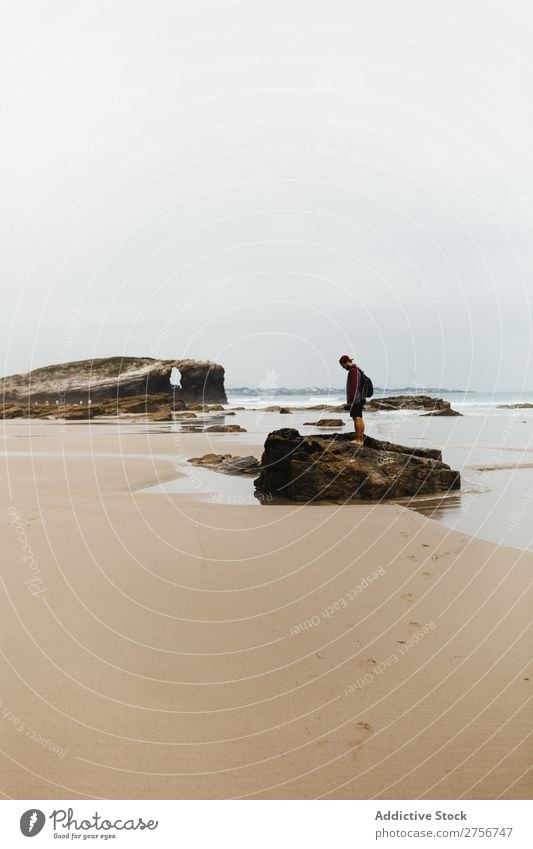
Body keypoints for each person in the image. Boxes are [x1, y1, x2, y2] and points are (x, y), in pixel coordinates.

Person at [339, 354, 365, 445]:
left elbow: (354, 387)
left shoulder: (353, 371)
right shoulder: (357, 369)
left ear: (346, 362)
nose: (343, 367)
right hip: (360, 398)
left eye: (343, 365)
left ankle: (358, 440)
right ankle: (360, 439)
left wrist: (350, 402)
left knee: (356, 418)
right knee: (359, 417)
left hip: (356, 399)